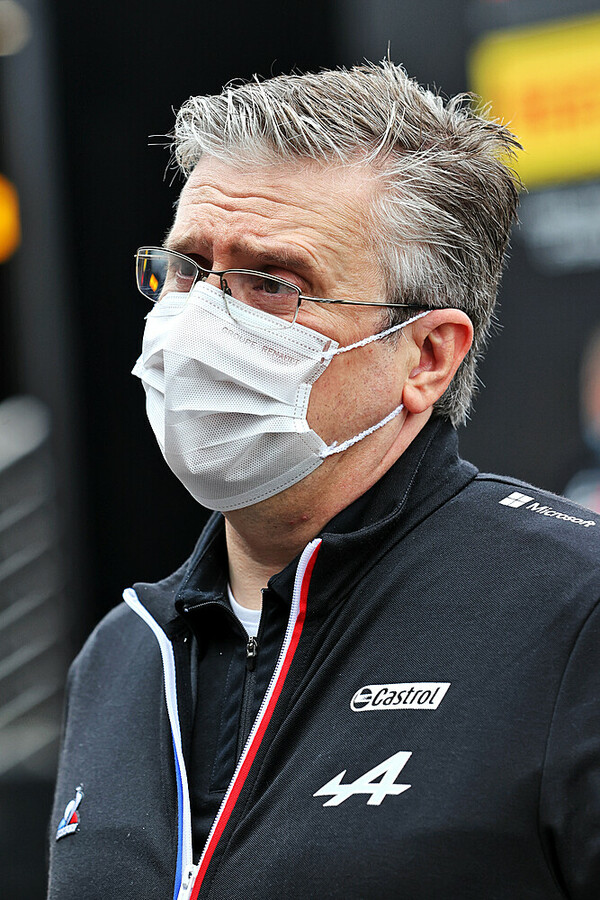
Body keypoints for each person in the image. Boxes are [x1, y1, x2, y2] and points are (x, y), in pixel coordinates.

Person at [48, 62, 600, 900]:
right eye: (189, 268)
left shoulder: (573, 612)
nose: (198, 323)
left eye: (273, 283)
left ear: (427, 356)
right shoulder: (122, 653)